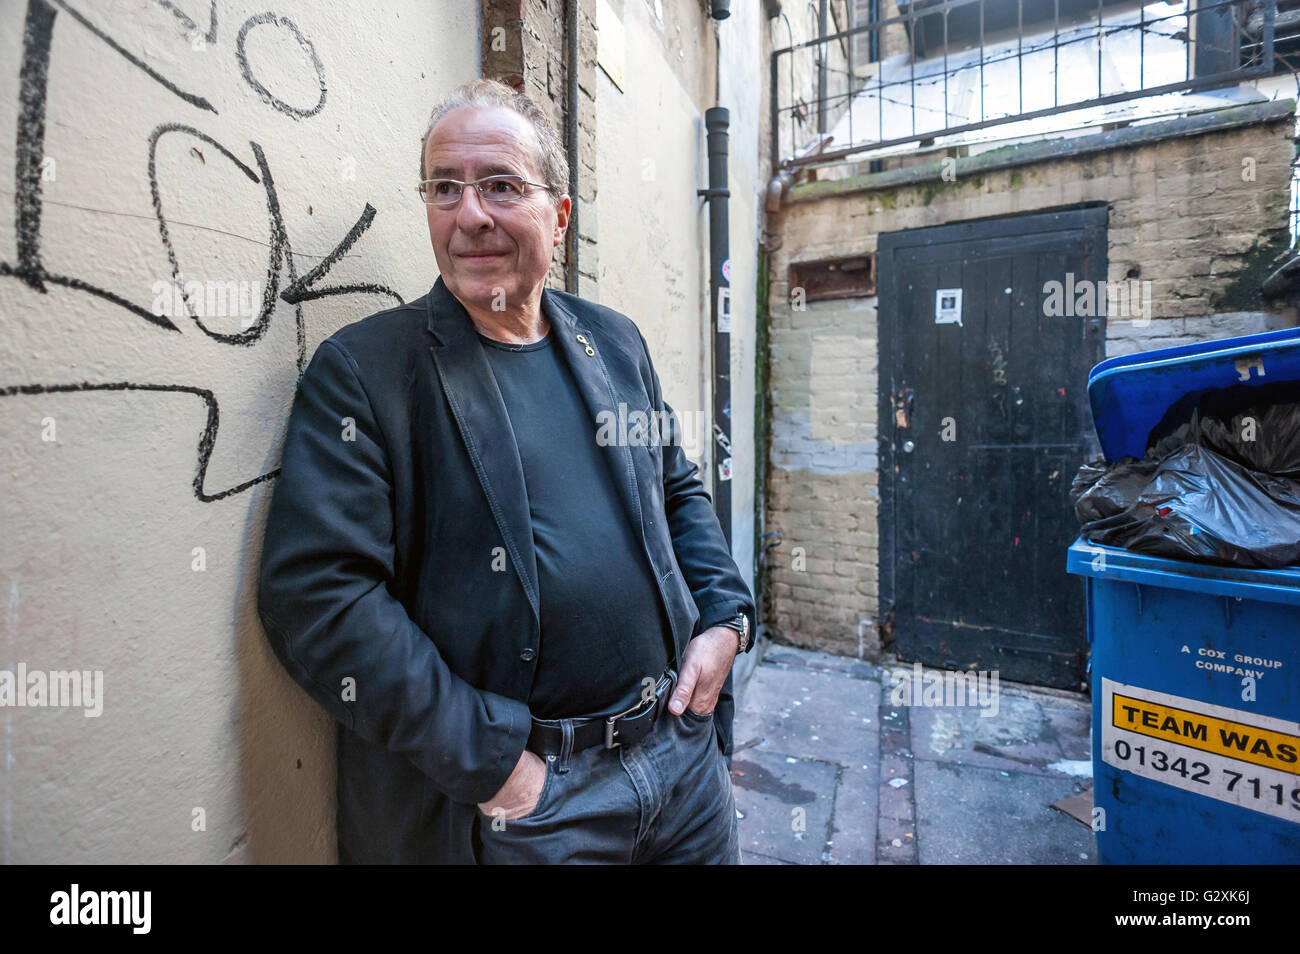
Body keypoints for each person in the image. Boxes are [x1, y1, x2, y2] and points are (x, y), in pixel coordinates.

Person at [256, 78, 755, 864]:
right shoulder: (367, 371)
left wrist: (727, 618)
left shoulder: (614, 342)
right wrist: (498, 767)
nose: (471, 214)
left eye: (499, 186)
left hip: (679, 762)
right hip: (531, 809)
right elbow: (319, 598)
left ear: (558, 216)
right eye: (445, 188)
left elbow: (677, 489)